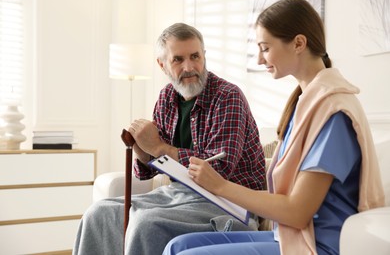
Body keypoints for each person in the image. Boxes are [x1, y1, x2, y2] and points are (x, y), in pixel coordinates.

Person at [162, 0, 385, 255]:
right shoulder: (306, 104)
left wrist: (220, 186)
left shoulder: (334, 112)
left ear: (299, 43)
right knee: (176, 246)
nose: (259, 59)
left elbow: (298, 212)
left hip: (317, 244)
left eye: (265, 48)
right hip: (288, 235)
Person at [72, 23, 266, 255]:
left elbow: (219, 171)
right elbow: (147, 171)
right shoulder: (166, 97)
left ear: (204, 56)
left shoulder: (228, 96)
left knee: (146, 224)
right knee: (97, 214)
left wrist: (158, 146)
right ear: (162, 65)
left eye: (195, 56)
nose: (189, 67)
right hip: (178, 196)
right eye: (178, 59)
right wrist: (142, 149)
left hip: (229, 203)